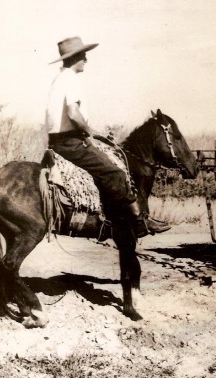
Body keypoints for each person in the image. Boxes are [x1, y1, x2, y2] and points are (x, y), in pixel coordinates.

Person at [45, 36, 170, 238]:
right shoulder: (70, 79)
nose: (86, 59)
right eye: (83, 55)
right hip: (71, 142)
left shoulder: (59, 79)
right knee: (116, 173)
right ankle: (138, 223)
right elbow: (73, 114)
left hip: (59, 140)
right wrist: (88, 134)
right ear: (75, 57)